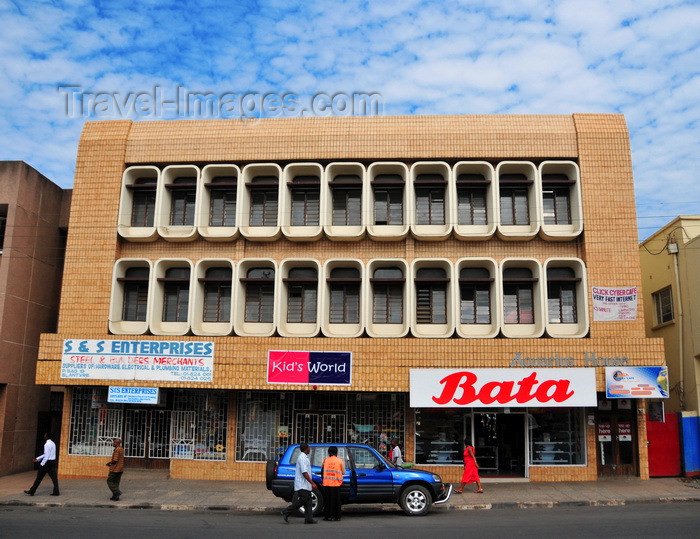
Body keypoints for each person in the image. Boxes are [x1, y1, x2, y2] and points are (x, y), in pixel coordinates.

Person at [281, 443, 317, 524]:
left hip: (305, 485)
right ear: (306, 449)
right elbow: (304, 472)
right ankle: (286, 511)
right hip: (302, 484)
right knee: (303, 500)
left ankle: (309, 519)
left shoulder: (304, 457)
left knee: (308, 501)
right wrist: (312, 483)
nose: (310, 449)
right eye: (309, 448)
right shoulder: (302, 458)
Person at [24, 432, 60, 496]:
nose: (44, 436)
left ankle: (32, 491)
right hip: (52, 462)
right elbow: (47, 454)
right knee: (54, 478)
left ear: (46, 437)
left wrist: (42, 464)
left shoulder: (47, 444)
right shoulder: (53, 443)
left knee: (39, 477)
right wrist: (38, 458)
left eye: (45, 435)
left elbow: (46, 456)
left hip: (47, 462)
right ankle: (56, 491)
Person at [321, 446, 345, 521]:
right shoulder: (340, 461)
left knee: (328, 501)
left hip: (327, 483)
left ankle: (328, 516)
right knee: (336, 501)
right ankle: (336, 516)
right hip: (336, 483)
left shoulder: (325, 460)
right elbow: (343, 472)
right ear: (336, 452)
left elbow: (322, 471)